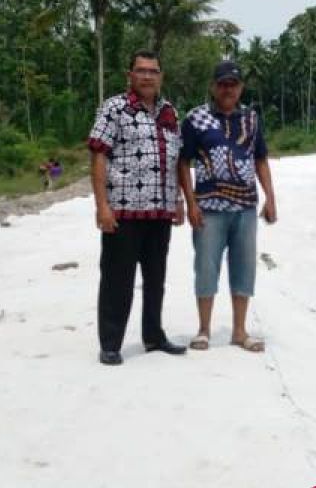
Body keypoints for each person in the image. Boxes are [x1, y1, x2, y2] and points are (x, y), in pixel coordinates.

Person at [87, 50, 187, 365]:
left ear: (161, 76)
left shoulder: (169, 112)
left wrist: (180, 200)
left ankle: (154, 336)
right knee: (118, 278)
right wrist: (101, 205)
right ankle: (111, 343)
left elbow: (176, 160)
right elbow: (99, 155)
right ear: (130, 74)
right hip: (123, 211)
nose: (147, 76)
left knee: (156, 278)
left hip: (160, 212)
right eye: (141, 70)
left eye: (153, 71)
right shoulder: (115, 109)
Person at [178, 59, 278, 353]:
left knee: (244, 268)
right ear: (213, 86)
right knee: (206, 267)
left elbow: (260, 159)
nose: (227, 89)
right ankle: (204, 330)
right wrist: (190, 202)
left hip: (246, 207)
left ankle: (239, 331)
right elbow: (183, 162)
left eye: (233, 84)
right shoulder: (195, 119)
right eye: (222, 84)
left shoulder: (251, 119)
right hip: (208, 208)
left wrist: (271, 197)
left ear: (241, 88)